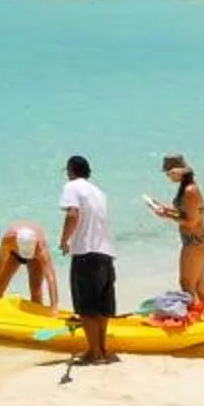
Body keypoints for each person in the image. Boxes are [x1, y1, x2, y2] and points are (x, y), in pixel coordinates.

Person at [59, 153, 116, 364]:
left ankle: (95, 353)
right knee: (102, 307)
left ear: (71, 171)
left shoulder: (72, 186)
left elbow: (73, 214)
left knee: (86, 307)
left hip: (85, 252)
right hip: (106, 253)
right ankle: (101, 349)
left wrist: (64, 240)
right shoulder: (100, 192)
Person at [148, 153, 204, 317]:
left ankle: (194, 321)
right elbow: (186, 211)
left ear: (178, 172)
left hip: (194, 242)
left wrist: (165, 216)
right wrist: (165, 208)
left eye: (169, 173)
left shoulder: (190, 190)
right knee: (199, 287)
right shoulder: (187, 187)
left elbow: (191, 221)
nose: (168, 177)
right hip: (200, 242)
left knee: (187, 285)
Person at [0, 219, 56, 310]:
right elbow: (0, 261)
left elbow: (51, 279)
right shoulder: (8, 240)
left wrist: (55, 307)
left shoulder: (41, 248)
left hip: (35, 257)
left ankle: (37, 316)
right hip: (14, 253)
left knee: (36, 290)